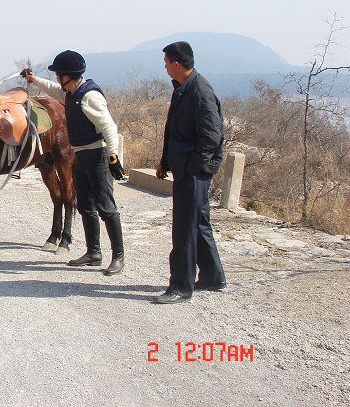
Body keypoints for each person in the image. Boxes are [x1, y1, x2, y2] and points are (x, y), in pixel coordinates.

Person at [23, 50, 126, 275]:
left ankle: (118, 256)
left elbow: (109, 126)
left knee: (106, 207)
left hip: (97, 155)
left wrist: (114, 154)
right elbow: (52, 90)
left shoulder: (89, 96)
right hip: (80, 156)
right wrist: (33, 79)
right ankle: (93, 252)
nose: (57, 78)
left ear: (67, 76)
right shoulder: (70, 93)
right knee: (85, 206)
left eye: (59, 74)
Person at [151, 41, 226, 304]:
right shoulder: (183, 88)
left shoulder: (200, 91)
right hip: (185, 168)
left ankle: (181, 287)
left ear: (177, 63)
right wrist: (166, 161)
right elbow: (175, 131)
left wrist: (192, 169)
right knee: (199, 222)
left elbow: (211, 137)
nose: (165, 67)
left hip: (194, 172)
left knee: (184, 227)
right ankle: (212, 276)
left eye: (166, 62)